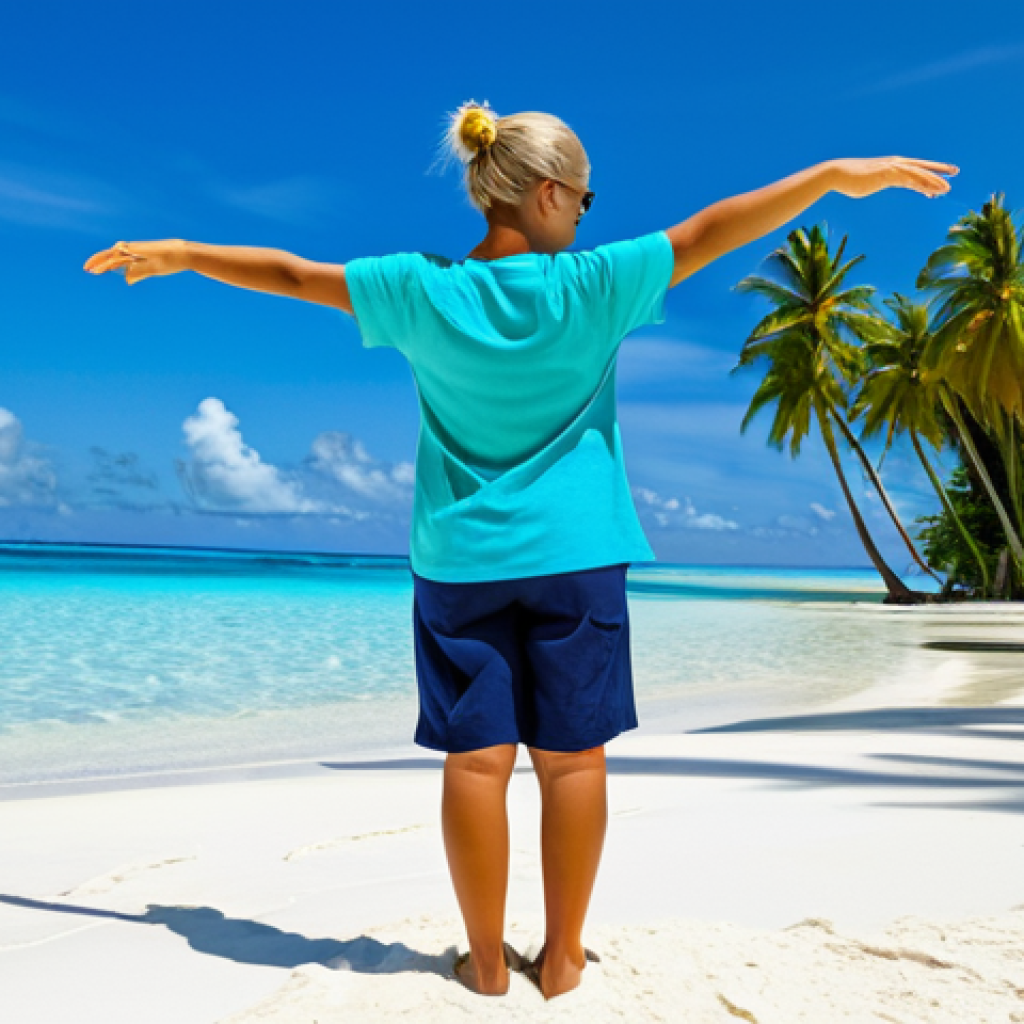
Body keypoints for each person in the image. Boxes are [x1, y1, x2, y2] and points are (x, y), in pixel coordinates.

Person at [83, 99, 957, 1000]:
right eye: (584, 198)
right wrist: (831, 177)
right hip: (577, 557)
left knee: (476, 762)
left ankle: (488, 962)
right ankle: (565, 959)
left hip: (461, 562)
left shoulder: (420, 289)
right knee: (572, 760)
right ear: (547, 194)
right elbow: (716, 229)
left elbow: (295, 275)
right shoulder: (595, 284)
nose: (586, 214)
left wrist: (184, 254)